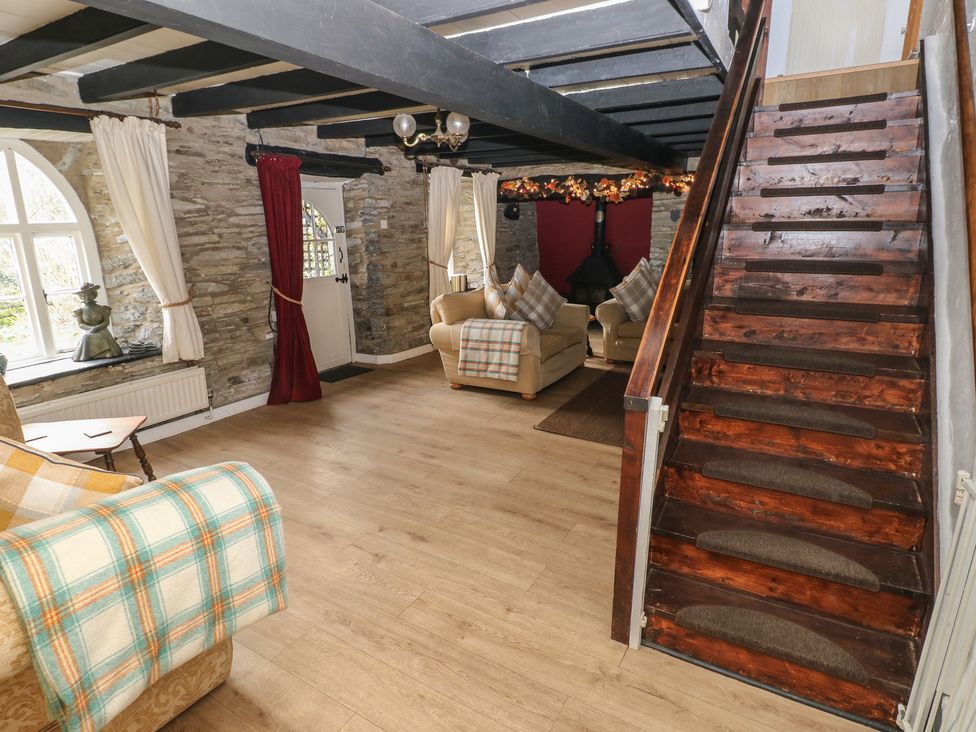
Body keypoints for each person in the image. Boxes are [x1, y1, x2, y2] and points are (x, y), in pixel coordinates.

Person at [72, 282, 123, 361]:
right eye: (84, 295)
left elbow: (106, 322)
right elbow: (80, 324)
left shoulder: (103, 309)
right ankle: (88, 354)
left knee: (101, 335)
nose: (87, 298)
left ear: (94, 294)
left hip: (102, 330)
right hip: (89, 331)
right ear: (81, 297)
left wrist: (97, 327)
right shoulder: (79, 311)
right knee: (86, 337)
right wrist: (90, 328)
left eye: (89, 294)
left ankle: (106, 352)